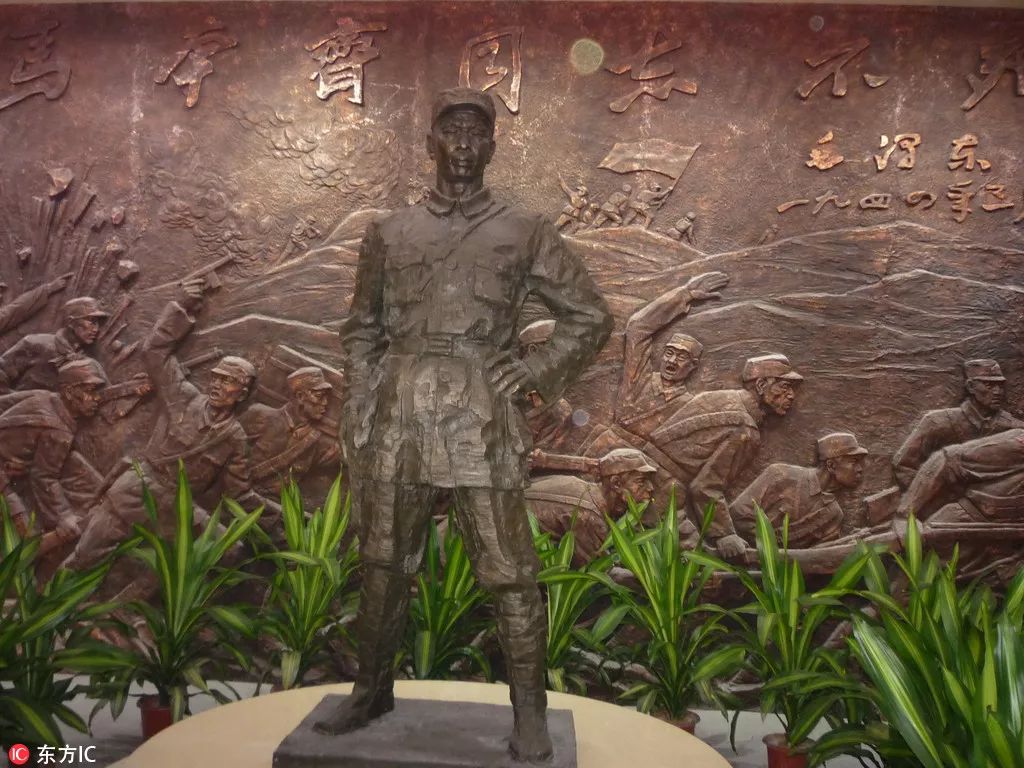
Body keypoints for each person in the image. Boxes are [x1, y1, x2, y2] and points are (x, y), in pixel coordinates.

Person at [318, 87, 613, 762]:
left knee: (508, 570)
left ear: (491, 148)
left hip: (481, 416)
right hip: (398, 414)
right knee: (383, 562)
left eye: (477, 134)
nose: (464, 144)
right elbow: (362, 329)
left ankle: (530, 715)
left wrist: (536, 372)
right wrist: (361, 404)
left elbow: (590, 316)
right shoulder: (390, 232)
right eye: (452, 131)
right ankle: (369, 692)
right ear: (431, 143)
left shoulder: (525, 230)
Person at [64, 280, 268, 577]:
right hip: (139, 489)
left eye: (229, 382)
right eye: (216, 378)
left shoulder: (234, 437)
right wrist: (181, 306)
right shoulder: (183, 397)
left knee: (227, 551)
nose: (217, 385)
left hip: (176, 508)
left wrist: (281, 520)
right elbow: (154, 352)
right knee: (83, 558)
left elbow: (240, 492)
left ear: (243, 393)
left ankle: (145, 599)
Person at [648, 353, 804, 558]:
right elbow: (705, 487)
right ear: (760, 385)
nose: (791, 395)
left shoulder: (721, 398)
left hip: (648, 475)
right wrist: (724, 535)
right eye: (784, 386)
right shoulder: (745, 429)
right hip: (660, 493)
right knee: (703, 563)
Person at [0, 358, 107, 541]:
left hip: (11, 467)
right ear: (69, 392)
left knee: (73, 460)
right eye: (90, 391)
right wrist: (64, 516)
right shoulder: (58, 431)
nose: (97, 398)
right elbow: (44, 476)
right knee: (28, 541)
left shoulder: (43, 396)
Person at [892, 359, 1022, 487]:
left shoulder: (1013, 427)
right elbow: (904, 466)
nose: (997, 392)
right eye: (989, 385)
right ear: (970, 387)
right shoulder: (938, 422)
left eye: (1000, 385)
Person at [730, 432, 868, 548]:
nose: (860, 469)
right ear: (831, 465)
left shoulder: (834, 514)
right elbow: (738, 513)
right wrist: (766, 545)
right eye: (854, 462)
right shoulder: (780, 475)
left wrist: (848, 543)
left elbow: (816, 557)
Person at [528, 448, 657, 566]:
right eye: (641, 481)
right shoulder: (590, 517)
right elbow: (597, 570)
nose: (651, 488)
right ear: (616, 483)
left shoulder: (581, 487)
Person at [240, 365, 341, 503]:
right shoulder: (260, 415)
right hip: (239, 497)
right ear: (300, 397)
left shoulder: (315, 441)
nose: (325, 403)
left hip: (275, 507)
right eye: (319, 396)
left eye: (326, 397)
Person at [0, 296, 108, 392]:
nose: (96, 329)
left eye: (99, 323)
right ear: (71, 322)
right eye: (91, 321)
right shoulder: (35, 344)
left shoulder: (90, 361)